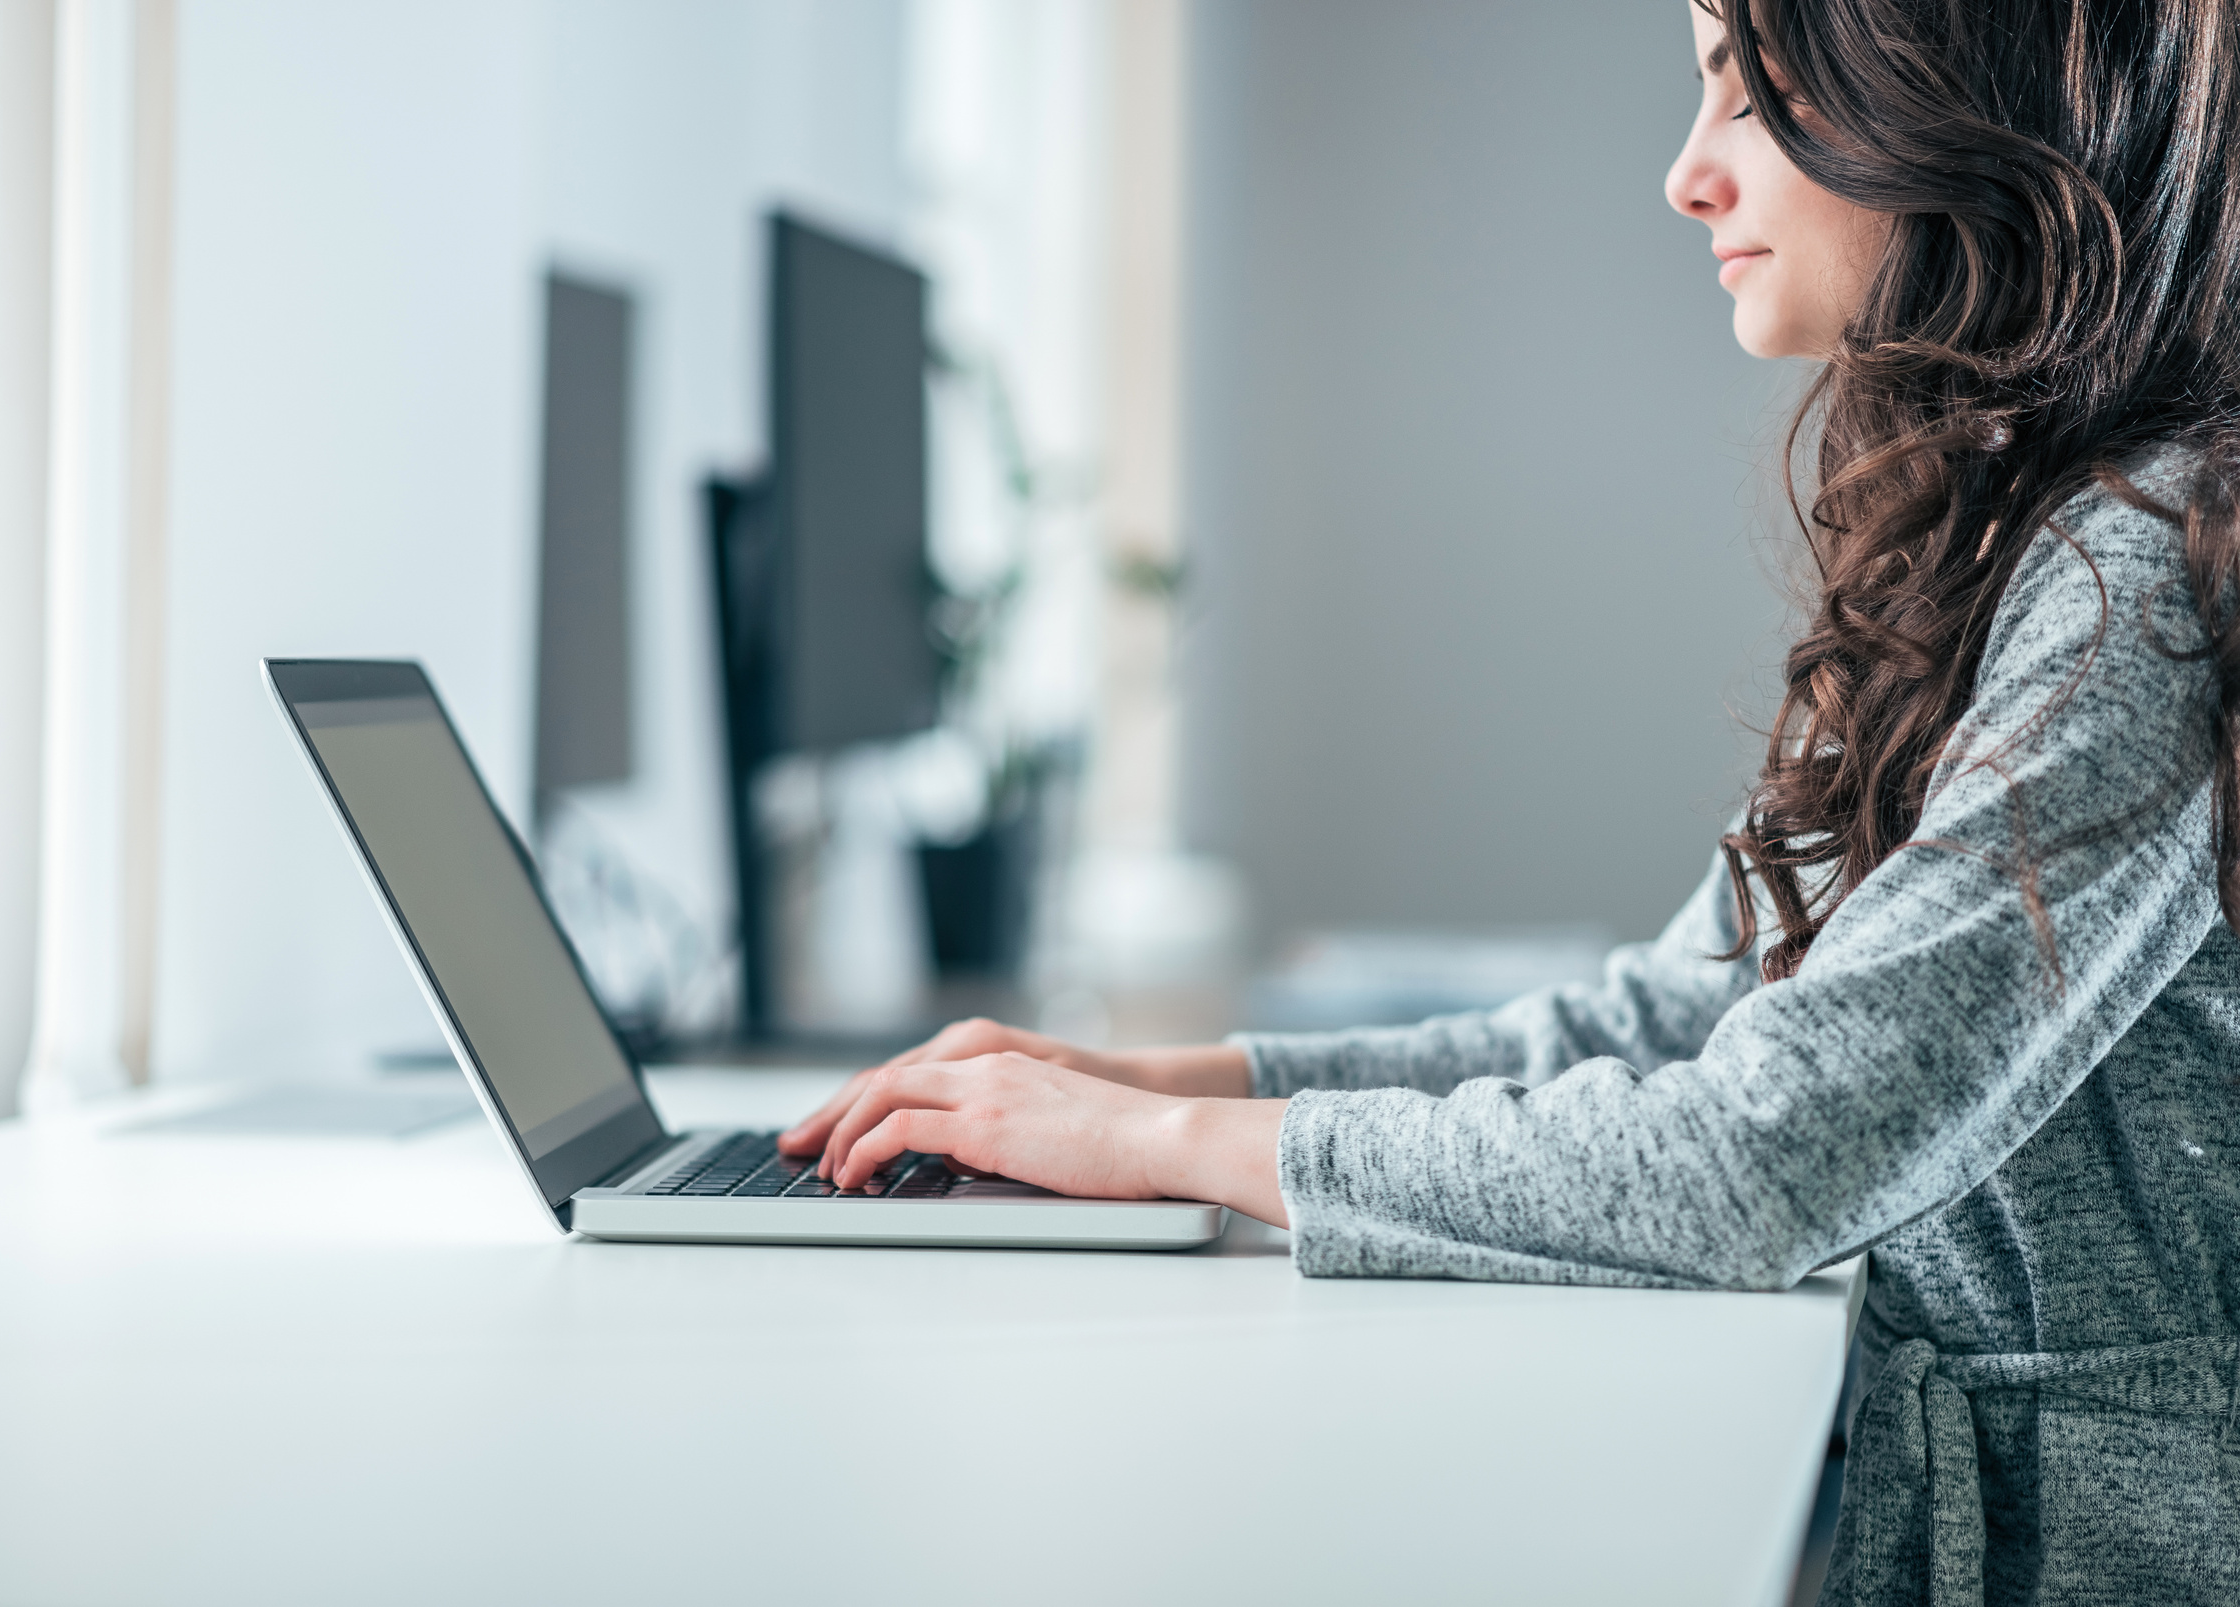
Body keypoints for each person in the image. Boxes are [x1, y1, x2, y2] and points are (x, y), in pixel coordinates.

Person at [782, 2, 2240, 1600]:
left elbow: (1759, 1160)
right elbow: (1673, 1019)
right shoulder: (1998, 540)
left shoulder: (2146, 576)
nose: (1687, 177)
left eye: (1752, 99)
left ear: (1960, 110)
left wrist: (1168, 1143)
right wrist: (1153, 1081)